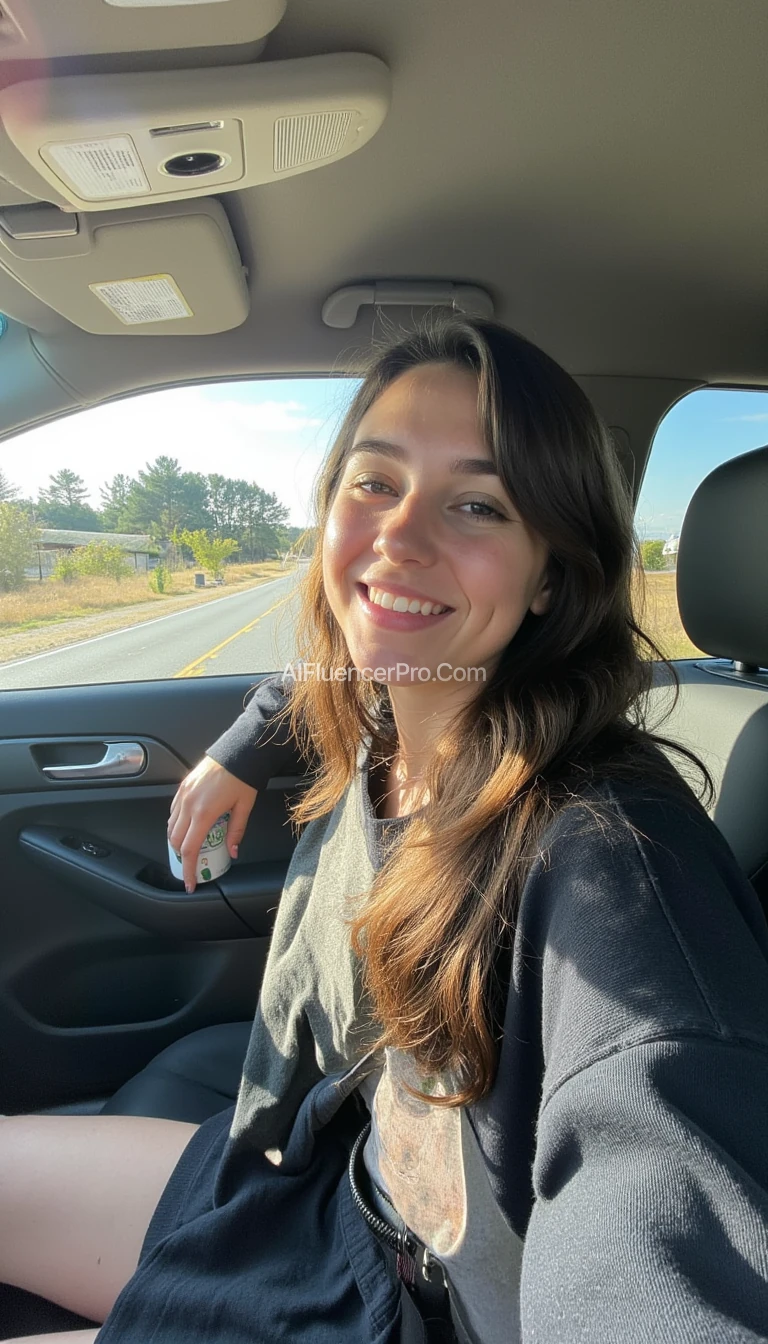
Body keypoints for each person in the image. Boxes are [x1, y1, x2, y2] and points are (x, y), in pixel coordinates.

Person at [2, 316, 768, 1344]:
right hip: (325, 1192)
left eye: (476, 505)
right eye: (374, 483)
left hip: (402, 1310)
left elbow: (669, 1206)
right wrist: (239, 746)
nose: (399, 538)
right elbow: (329, 673)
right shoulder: (406, 715)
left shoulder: (612, 868)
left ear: (550, 574)